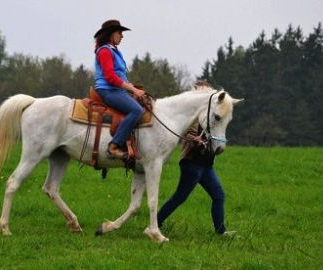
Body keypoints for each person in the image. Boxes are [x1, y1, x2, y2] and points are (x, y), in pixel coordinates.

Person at [157, 81, 236, 236]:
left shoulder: (210, 114)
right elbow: (189, 134)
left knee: (218, 195)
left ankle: (221, 232)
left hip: (206, 166)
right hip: (191, 164)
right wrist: (197, 140)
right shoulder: (193, 116)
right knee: (180, 197)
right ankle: (156, 222)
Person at [93, 19, 145, 159]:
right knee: (136, 110)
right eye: (119, 32)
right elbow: (110, 77)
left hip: (116, 90)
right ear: (111, 34)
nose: (122, 36)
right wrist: (133, 90)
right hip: (108, 90)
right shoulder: (104, 51)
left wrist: (131, 87)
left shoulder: (114, 51)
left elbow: (119, 75)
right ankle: (114, 146)